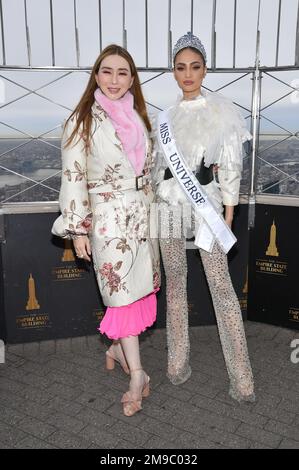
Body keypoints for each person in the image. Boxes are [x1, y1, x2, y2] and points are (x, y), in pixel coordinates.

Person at [52, 44, 160, 416]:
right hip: (108, 221)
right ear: (96, 75)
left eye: (123, 73)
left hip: (143, 219)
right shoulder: (81, 119)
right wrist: (78, 230)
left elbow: (150, 173)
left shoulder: (141, 116)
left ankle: (117, 348)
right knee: (122, 296)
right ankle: (138, 376)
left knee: (140, 292)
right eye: (107, 71)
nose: (115, 80)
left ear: (133, 79)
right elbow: (72, 178)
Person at [153, 32, 255, 402]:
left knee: (222, 290)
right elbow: (157, 169)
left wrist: (229, 214)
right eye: (181, 67)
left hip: (206, 206)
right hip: (166, 208)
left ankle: (242, 379)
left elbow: (230, 168)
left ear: (205, 69)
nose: (188, 74)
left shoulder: (222, 112)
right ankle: (176, 365)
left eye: (195, 67)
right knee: (175, 287)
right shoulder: (165, 117)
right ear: (173, 72)